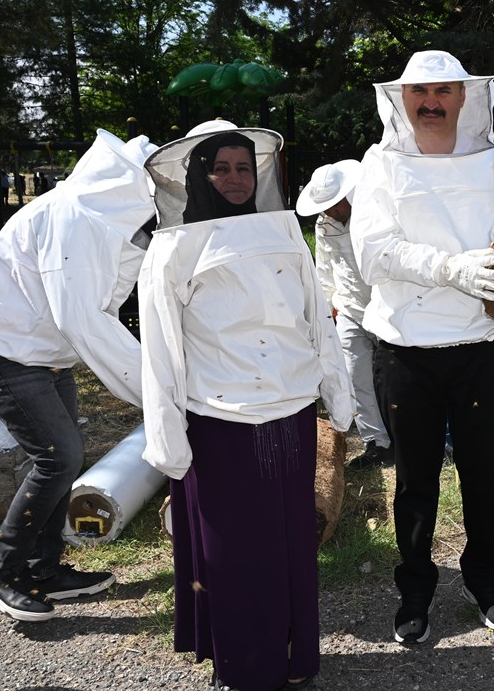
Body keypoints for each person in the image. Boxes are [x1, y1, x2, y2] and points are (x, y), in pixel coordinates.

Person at [140, 121, 354, 691]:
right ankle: (239, 663)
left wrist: (338, 392)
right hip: (220, 417)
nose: (235, 179)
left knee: (290, 543)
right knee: (232, 550)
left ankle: (292, 656)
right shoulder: (171, 247)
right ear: (197, 176)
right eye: (221, 168)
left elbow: (317, 318)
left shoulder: (284, 231)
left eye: (243, 167)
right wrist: (167, 436)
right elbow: (160, 349)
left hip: (290, 410)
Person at [350, 50, 494, 644]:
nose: (430, 103)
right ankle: (415, 592)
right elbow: (373, 253)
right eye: (419, 93)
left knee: (484, 475)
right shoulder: (378, 165)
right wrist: (448, 268)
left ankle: (485, 581)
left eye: (443, 92)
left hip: (481, 347)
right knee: (414, 480)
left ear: (465, 97)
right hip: (406, 350)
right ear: (401, 101)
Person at [0, 129, 156, 623]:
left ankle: (44, 569)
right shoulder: (71, 219)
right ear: (135, 184)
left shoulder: (101, 220)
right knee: (59, 457)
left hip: (42, 353)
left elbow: (115, 296)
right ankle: (1, 572)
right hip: (1, 350)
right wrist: (157, 394)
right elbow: (84, 320)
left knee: (63, 456)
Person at [296, 159, 393, 469]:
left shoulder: (376, 212)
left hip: (387, 309)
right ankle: (376, 443)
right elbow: (325, 271)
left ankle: (413, 438)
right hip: (350, 310)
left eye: (334, 204)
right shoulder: (324, 226)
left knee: (395, 379)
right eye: (324, 206)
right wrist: (325, 316)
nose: (330, 212)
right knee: (355, 376)